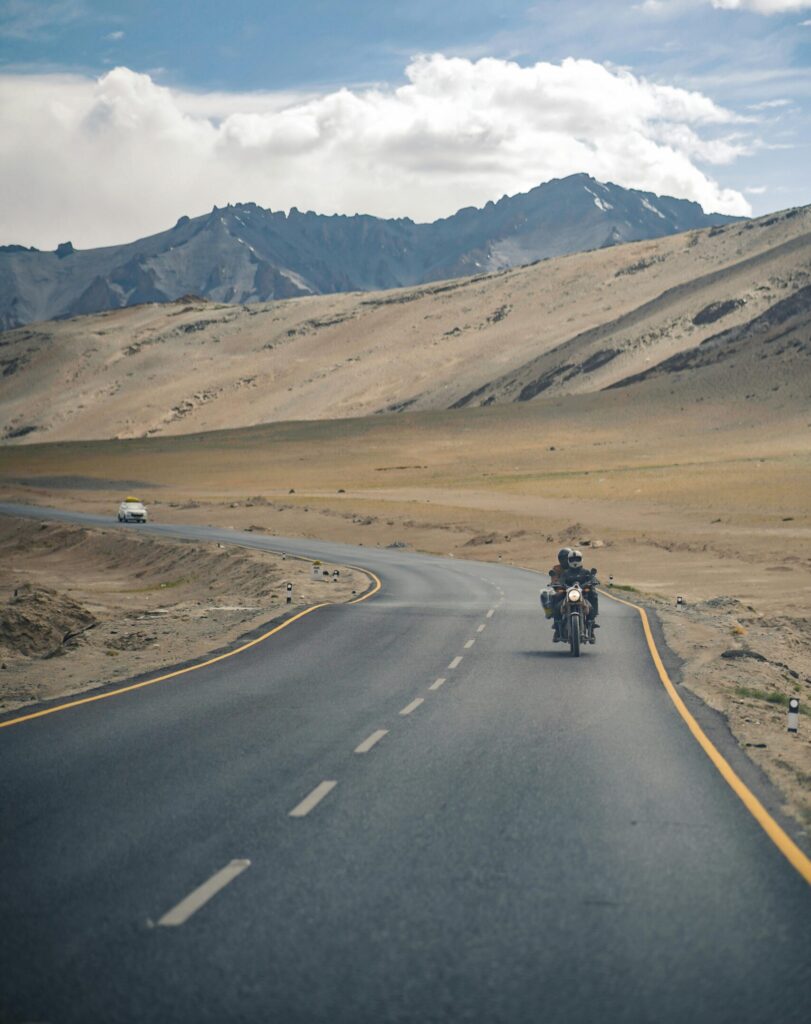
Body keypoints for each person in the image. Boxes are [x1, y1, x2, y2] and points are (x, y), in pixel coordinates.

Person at [543, 547, 600, 642]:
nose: (574, 561)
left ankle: (591, 624)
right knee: (557, 603)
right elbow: (558, 580)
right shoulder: (564, 572)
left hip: (582, 593)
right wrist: (556, 584)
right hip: (567, 593)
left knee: (593, 595)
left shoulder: (585, 572)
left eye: (577, 559)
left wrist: (593, 581)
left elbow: (591, 578)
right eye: (572, 559)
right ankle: (557, 627)